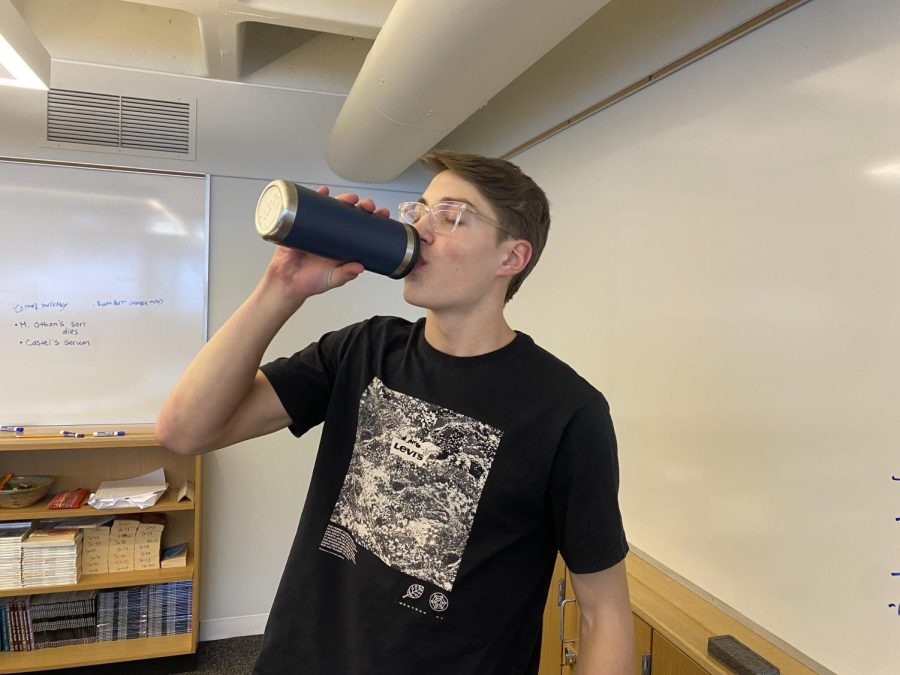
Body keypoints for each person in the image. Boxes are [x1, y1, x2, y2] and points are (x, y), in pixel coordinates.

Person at [156, 150, 634, 674]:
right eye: (420, 211)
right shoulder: (363, 350)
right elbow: (184, 431)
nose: (421, 229)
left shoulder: (567, 409)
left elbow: (603, 612)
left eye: (451, 216)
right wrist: (282, 286)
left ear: (510, 258)